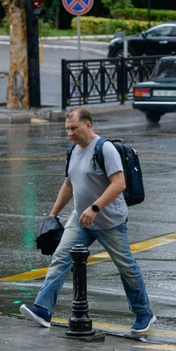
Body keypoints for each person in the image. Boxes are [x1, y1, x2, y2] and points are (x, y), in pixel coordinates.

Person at [19, 107, 155, 333]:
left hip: (110, 221)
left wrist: (95, 208)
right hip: (80, 219)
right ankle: (43, 309)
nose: (70, 133)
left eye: (74, 128)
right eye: (67, 129)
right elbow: (68, 185)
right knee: (61, 259)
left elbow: (119, 184)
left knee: (125, 266)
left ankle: (144, 313)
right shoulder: (73, 150)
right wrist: (53, 214)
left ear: (88, 125)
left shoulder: (105, 149)